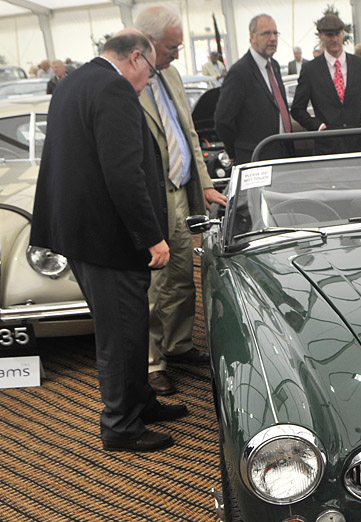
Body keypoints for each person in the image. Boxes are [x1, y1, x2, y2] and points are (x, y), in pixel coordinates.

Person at [30, 29, 186, 453]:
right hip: (108, 237)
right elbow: (123, 173)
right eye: (151, 70)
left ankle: (140, 403)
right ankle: (121, 426)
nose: (151, 80)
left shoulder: (75, 81)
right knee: (121, 336)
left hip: (83, 233)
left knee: (129, 328)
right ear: (135, 57)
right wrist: (151, 236)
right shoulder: (115, 88)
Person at [135, 5, 227, 397]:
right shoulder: (127, 81)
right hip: (153, 195)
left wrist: (204, 182)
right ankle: (152, 363)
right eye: (172, 47)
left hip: (183, 190)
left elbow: (188, 132)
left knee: (181, 278)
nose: (177, 54)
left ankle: (179, 344)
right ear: (149, 43)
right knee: (154, 282)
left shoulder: (170, 74)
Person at [290, 13, 361, 155]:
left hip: (357, 147)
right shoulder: (310, 70)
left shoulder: (360, 65)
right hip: (326, 149)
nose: (335, 39)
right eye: (329, 35)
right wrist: (319, 127)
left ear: (343, 33)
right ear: (320, 36)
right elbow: (297, 109)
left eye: (338, 34)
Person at [215, 13, 294, 164]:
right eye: (266, 33)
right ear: (252, 37)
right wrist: (235, 152)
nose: (273, 38)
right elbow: (223, 120)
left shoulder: (274, 66)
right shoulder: (240, 72)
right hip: (255, 158)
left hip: (283, 154)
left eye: (275, 33)